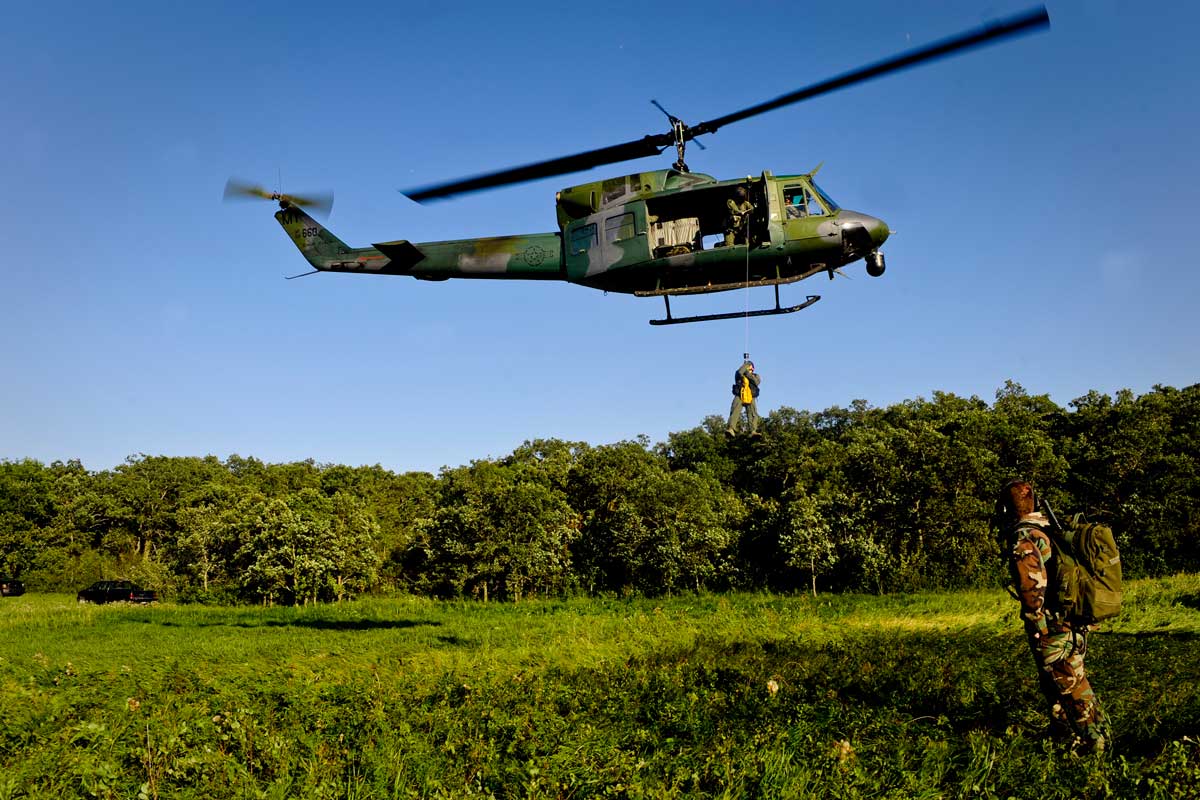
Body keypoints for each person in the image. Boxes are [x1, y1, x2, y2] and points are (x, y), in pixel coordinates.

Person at [996, 479, 1108, 753]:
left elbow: (1032, 586)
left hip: (1054, 626)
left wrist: (1038, 627)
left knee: (1070, 685)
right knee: (1058, 684)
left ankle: (1095, 745)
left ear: (1007, 508)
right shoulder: (1049, 528)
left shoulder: (1025, 537)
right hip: (1073, 621)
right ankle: (1065, 738)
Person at [726, 360, 761, 437]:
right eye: (747, 366)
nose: (748, 367)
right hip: (740, 395)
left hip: (751, 396)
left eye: (750, 366)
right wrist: (745, 366)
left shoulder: (756, 376)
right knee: (735, 411)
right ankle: (731, 429)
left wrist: (747, 373)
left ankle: (753, 431)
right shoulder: (739, 373)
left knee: (753, 414)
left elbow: (756, 382)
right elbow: (739, 372)